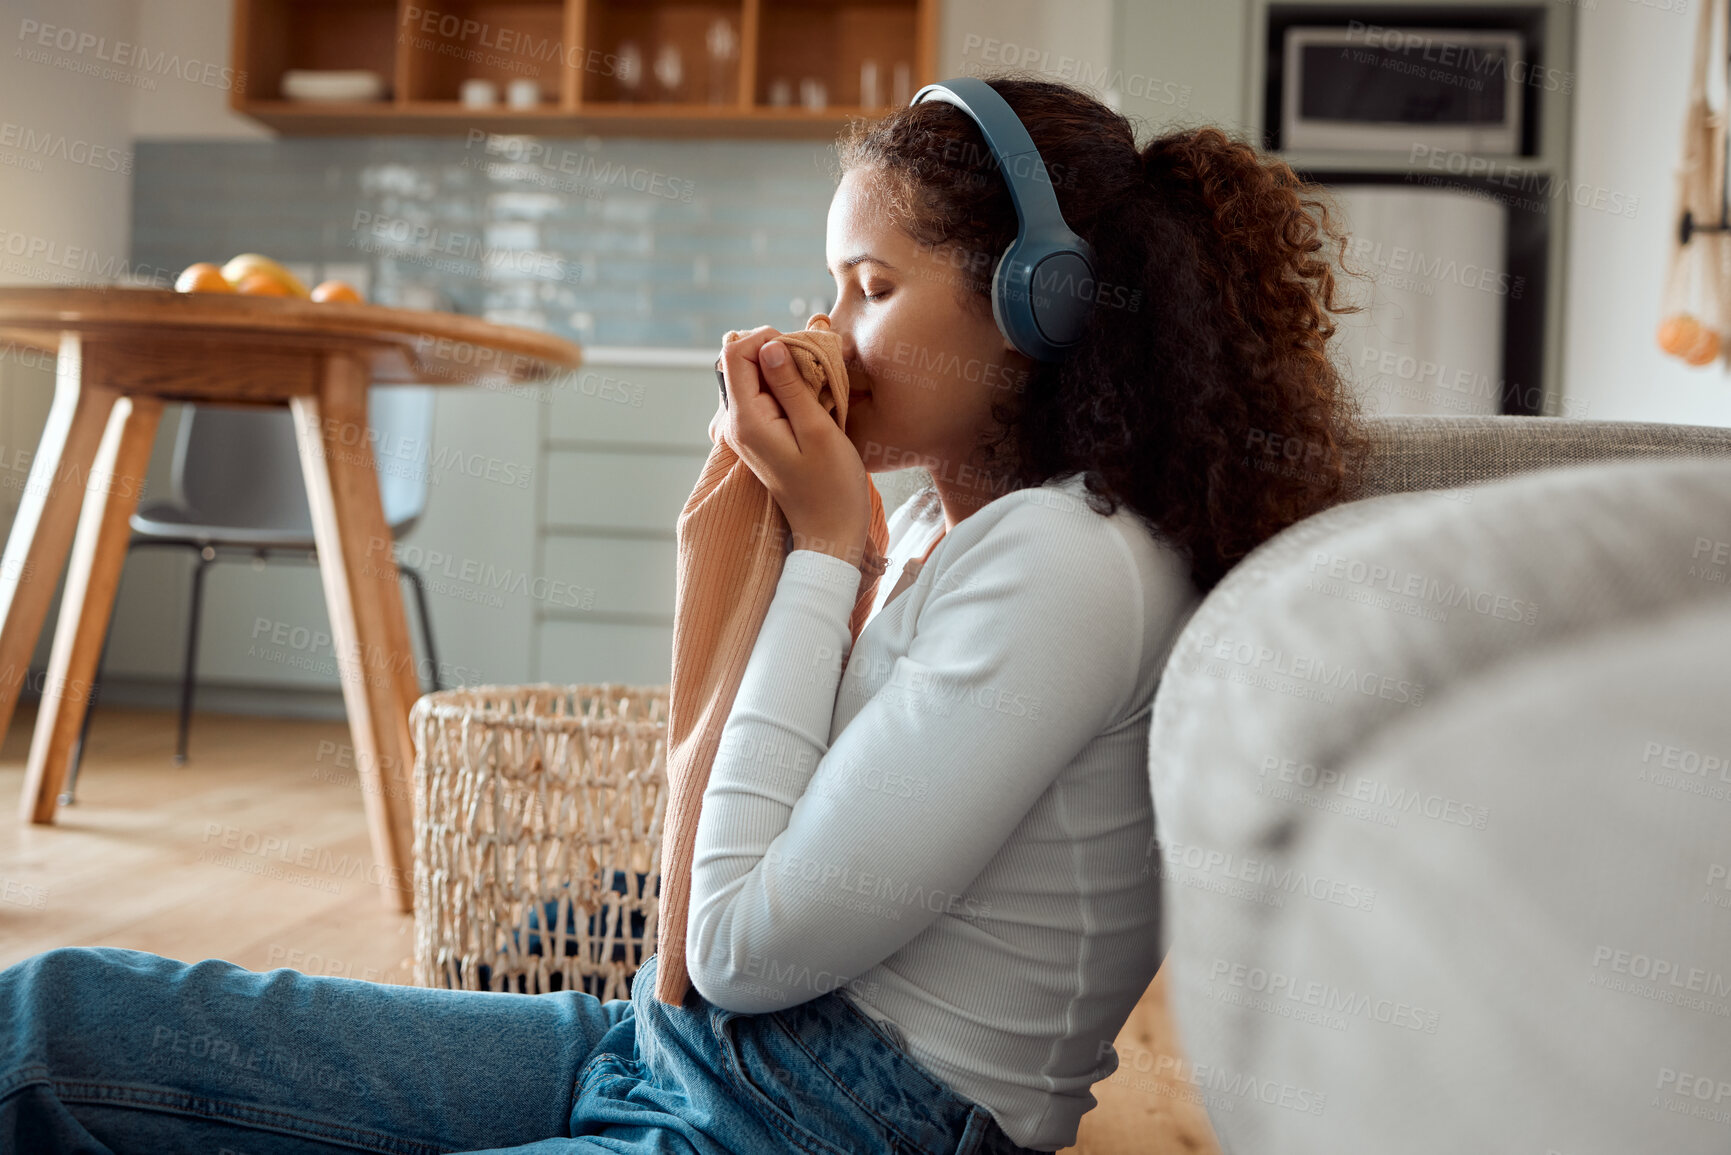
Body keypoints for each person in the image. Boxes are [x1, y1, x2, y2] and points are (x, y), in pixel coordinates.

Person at [0, 75, 1368, 1153]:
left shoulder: (1068, 567)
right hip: (686, 1058)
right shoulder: (970, 531)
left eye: (873, 289)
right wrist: (834, 545)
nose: (829, 327)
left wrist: (829, 544)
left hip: (832, 1125)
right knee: (44, 1027)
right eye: (832, 283)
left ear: (1039, 307)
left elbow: (734, 947)